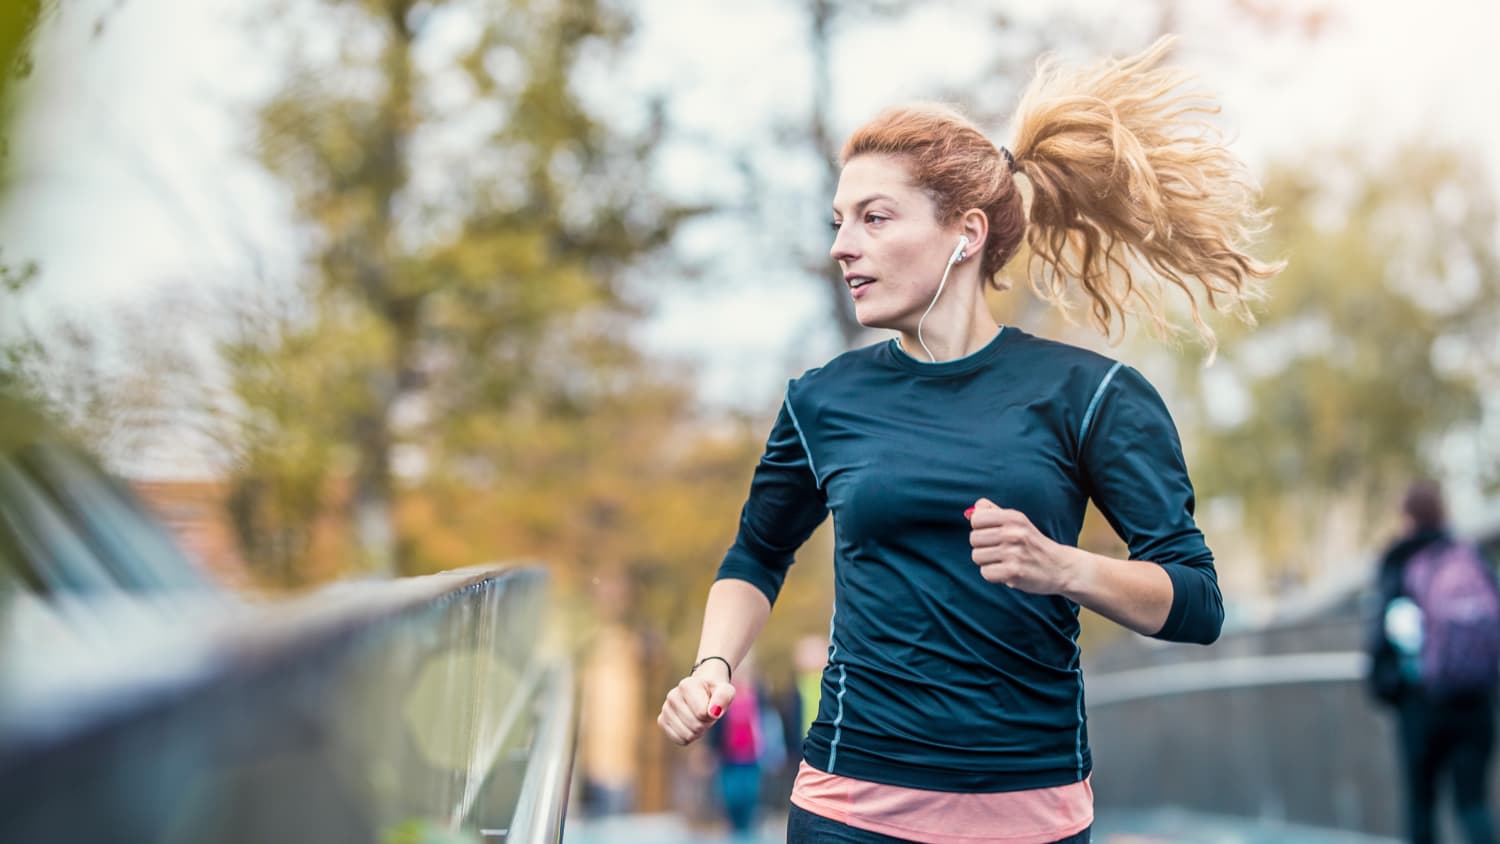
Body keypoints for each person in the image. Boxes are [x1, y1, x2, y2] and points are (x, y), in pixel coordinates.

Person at [657, 36, 1280, 844]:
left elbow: (1197, 603)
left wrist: (1065, 569)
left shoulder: (1090, 396)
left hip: (1032, 816)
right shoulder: (823, 401)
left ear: (967, 233)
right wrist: (714, 666)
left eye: (875, 218)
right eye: (839, 221)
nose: (843, 244)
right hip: (849, 810)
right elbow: (756, 556)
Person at [1366, 480, 1498, 844]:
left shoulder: (1399, 560)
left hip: (1421, 703)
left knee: (1421, 805)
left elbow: (1381, 638)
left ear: (1407, 516)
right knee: (1473, 804)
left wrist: (1388, 689)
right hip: (1475, 700)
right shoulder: (1469, 555)